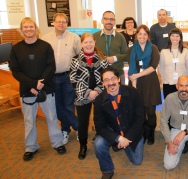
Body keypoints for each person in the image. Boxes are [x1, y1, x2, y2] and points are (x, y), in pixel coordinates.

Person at [9, 17, 66, 161]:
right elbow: (15, 71)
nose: (29, 29)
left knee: (52, 117)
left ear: (36, 28)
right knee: (29, 120)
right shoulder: (16, 49)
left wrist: (40, 84)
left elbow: (50, 67)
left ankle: (57, 142)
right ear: (22, 30)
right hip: (27, 90)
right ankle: (31, 147)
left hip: (46, 88)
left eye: (31, 27)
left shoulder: (45, 46)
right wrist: (33, 84)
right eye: (25, 27)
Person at [93, 67, 144, 179]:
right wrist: (118, 138)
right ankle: (107, 170)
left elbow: (140, 118)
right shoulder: (99, 100)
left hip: (132, 130)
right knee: (98, 144)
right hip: (113, 130)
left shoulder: (132, 92)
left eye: (113, 79)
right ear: (103, 83)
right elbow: (100, 127)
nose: (110, 83)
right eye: (106, 80)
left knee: (137, 161)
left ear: (118, 79)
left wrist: (128, 137)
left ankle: (122, 145)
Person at [70, 33, 113, 160]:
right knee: (82, 122)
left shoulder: (102, 59)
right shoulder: (75, 60)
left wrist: (97, 91)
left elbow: (107, 77)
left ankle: (101, 142)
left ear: (94, 42)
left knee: (100, 119)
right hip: (82, 95)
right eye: (85, 42)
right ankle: (83, 145)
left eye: (90, 42)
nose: (88, 44)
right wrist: (88, 92)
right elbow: (73, 79)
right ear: (81, 44)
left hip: (100, 95)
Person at [42, 13, 81, 145]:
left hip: (68, 76)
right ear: (53, 22)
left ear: (67, 23)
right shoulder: (45, 39)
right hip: (52, 77)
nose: (61, 24)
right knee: (57, 106)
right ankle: (78, 126)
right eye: (58, 22)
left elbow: (80, 56)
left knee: (69, 105)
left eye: (64, 22)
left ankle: (65, 130)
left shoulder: (74, 38)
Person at [127, 25, 161, 145]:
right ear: (136, 35)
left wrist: (137, 75)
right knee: (139, 111)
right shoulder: (131, 49)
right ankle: (142, 132)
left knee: (150, 111)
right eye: (140, 34)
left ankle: (150, 131)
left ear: (148, 36)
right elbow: (132, 69)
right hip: (136, 83)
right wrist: (135, 89)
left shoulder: (154, 48)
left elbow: (153, 67)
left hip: (150, 81)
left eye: (144, 34)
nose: (142, 36)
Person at [93, 11, 128, 85]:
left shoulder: (120, 37)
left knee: (120, 96)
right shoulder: (94, 37)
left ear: (114, 22)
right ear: (102, 20)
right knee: (102, 96)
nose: (109, 21)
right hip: (99, 74)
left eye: (111, 19)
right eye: (106, 19)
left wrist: (115, 58)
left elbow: (126, 55)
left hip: (118, 74)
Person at [159, 28, 188, 98]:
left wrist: (185, 80)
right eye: (172, 35)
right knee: (169, 105)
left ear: (180, 38)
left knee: (182, 104)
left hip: (182, 85)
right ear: (169, 37)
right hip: (168, 83)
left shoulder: (185, 51)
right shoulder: (164, 52)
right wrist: (164, 80)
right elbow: (161, 68)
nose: (175, 38)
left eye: (177, 36)